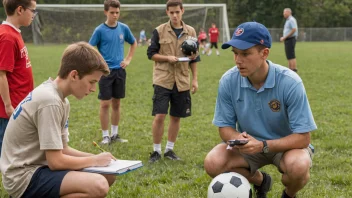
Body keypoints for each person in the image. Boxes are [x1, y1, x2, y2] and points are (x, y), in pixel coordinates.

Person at [204, 22, 317, 198]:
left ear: (264, 53)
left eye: (245, 54)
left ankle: (289, 194)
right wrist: (237, 138)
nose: (238, 60)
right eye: (235, 53)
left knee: (298, 166)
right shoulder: (228, 81)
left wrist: (263, 145)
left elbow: (303, 137)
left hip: (286, 147)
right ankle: (261, 181)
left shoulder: (290, 82)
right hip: (249, 147)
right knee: (213, 163)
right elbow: (225, 127)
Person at [0, 42, 116, 198]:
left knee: (108, 175)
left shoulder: (60, 99)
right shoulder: (50, 101)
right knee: (98, 185)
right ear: (74, 75)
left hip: (40, 168)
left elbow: (63, 149)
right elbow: (56, 161)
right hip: (23, 176)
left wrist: (102, 160)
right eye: (92, 82)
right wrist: (94, 160)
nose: (94, 89)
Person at [147, 0, 199, 163]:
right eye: (171, 12)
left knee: (176, 117)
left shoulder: (191, 31)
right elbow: (151, 54)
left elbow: (195, 57)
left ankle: (169, 150)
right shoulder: (159, 31)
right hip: (163, 79)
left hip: (182, 80)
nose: (175, 15)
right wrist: (167, 58)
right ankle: (156, 151)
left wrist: (195, 79)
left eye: (177, 12)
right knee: (160, 115)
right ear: (167, 13)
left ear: (182, 11)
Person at [89, 0, 137, 145]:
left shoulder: (124, 28)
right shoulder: (99, 30)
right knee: (105, 104)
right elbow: (90, 47)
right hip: (105, 73)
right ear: (105, 12)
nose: (115, 15)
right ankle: (105, 136)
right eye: (112, 13)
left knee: (116, 103)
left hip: (120, 71)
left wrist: (128, 59)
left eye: (117, 12)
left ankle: (115, 134)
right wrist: (100, 62)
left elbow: (133, 42)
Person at [0, 0, 36, 156]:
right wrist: (8, 106)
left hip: (20, 104)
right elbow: (1, 74)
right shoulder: (7, 36)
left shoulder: (14, 33)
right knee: (7, 152)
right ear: (20, 10)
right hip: (10, 109)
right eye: (32, 10)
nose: (33, 15)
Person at [280, 8, 298, 72]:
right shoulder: (288, 20)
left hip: (290, 39)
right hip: (288, 39)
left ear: (288, 12)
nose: (283, 14)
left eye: (284, 12)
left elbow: (294, 29)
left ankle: (293, 69)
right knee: (289, 54)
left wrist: (285, 37)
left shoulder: (291, 20)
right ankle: (290, 69)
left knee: (291, 54)